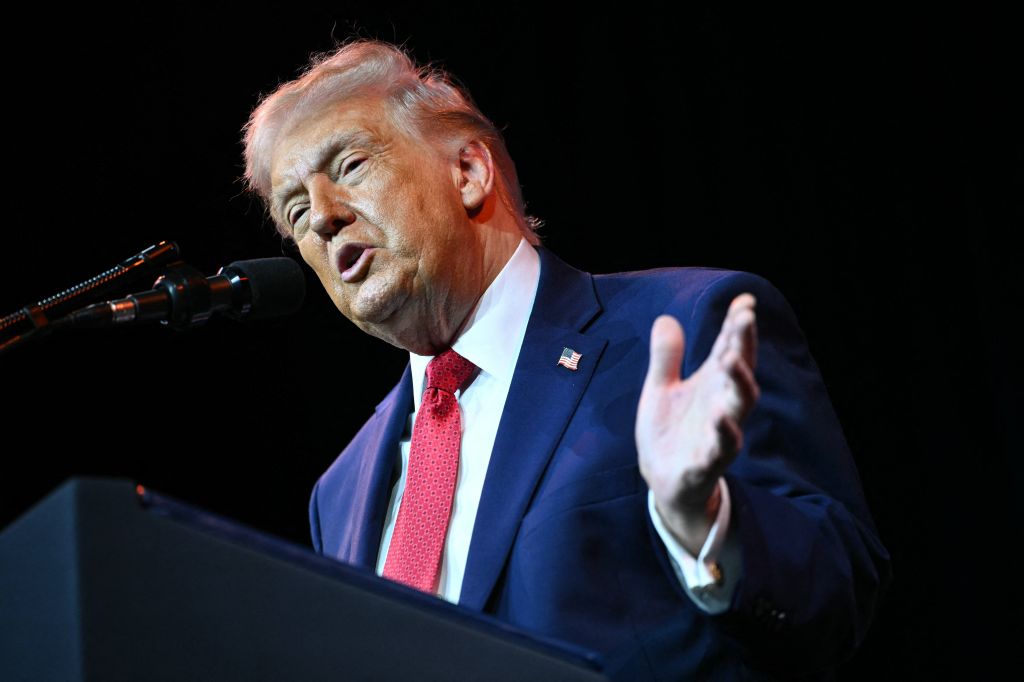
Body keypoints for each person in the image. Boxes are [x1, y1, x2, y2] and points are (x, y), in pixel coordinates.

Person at [243, 40, 890, 680]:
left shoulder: (683, 326)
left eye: (351, 165)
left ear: (468, 172)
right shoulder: (340, 491)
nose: (323, 218)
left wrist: (704, 521)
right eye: (295, 211)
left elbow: (838, 594)